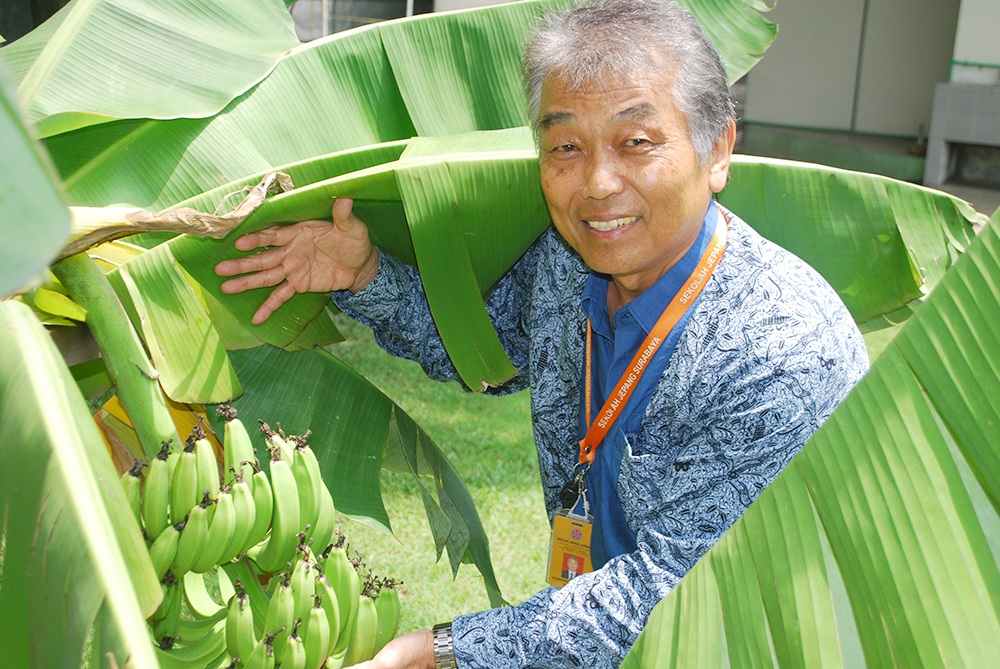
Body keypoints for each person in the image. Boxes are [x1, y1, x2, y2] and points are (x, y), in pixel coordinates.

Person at [215, 0, 870, 666]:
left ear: (718, 149)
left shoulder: (781, 351)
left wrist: (440, 650)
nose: (597, 183)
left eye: (635, 142)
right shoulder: (567, 264)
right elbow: (483, 350)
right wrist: (365, 273)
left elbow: (670, 597)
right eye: (565, 147)